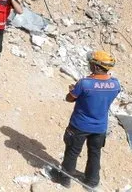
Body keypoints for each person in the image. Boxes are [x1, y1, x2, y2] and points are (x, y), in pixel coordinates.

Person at [49, 51, 121, 189]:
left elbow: (69, 98)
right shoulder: (115, 84)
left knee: (72, 152)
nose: (89, 65)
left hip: (80, 125)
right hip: (100, 127)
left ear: (96, 67)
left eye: (91, 63)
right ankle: (92, 182)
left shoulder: (85, 83)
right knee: (95, 153)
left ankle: (64, 178)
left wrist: (73, 90)